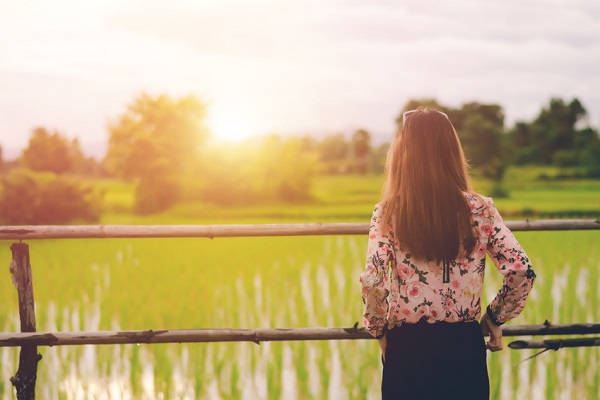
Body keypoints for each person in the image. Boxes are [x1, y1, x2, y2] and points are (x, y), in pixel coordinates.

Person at [359, 107, 536, 399]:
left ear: (403, 154)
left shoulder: (388, 212)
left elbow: (373, 280)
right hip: (463, 346)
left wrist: (379, 331)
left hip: (407, 349)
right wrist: (494, 317)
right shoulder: (481, 209)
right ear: (451, 151)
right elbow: (521, 271)